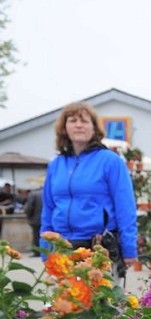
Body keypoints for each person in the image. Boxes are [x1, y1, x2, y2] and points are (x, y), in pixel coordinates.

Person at [40, 101, 137, 278]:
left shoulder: (110, 161)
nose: (78, 125)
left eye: (84, 121)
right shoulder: (55, 165)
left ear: (94, 128)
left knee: (101, 304)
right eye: (73, 120)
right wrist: (44, 248)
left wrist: (129, 248)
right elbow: (48, 208)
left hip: (98, 247)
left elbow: (126, 207)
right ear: (64, 128)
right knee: (66, 303)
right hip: (63, 248)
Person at [23, 187, 43, 256]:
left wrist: (28, 216)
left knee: (36, 236)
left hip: (36, 219)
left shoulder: (33, 194)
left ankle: (37, 252)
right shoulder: (48, 192)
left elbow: (29, 208)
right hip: (48, 219)